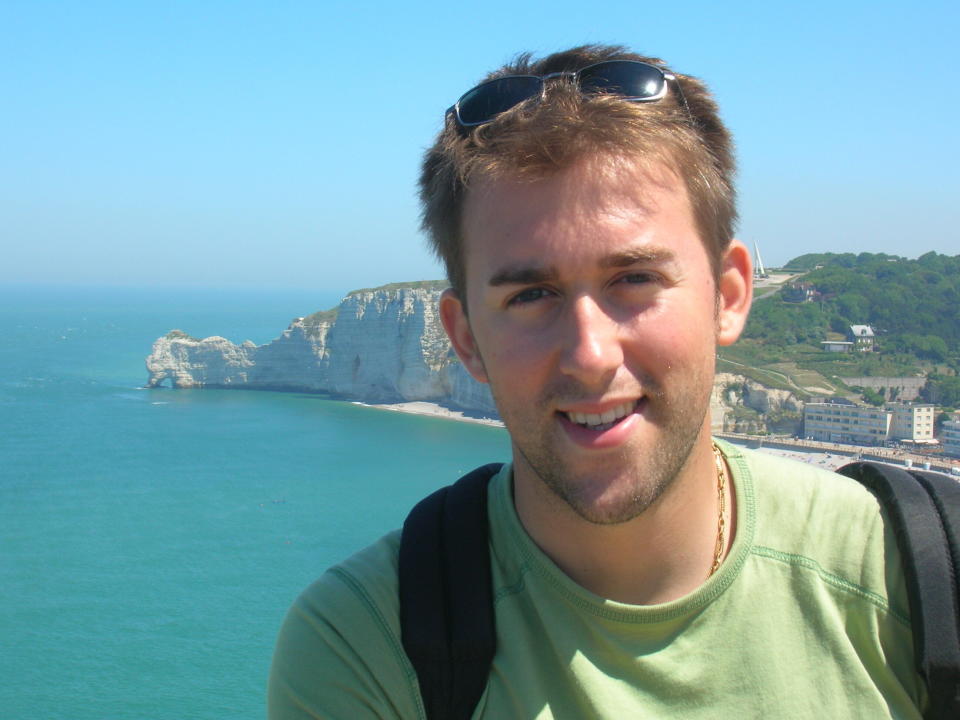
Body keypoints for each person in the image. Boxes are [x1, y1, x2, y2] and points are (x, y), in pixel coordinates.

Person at [268, 45, 924, 718]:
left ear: (728, 295)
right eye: (531, 295)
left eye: (634, 279)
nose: (589, 354)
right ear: (465, 338)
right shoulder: (367, 647)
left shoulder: (918, 588)